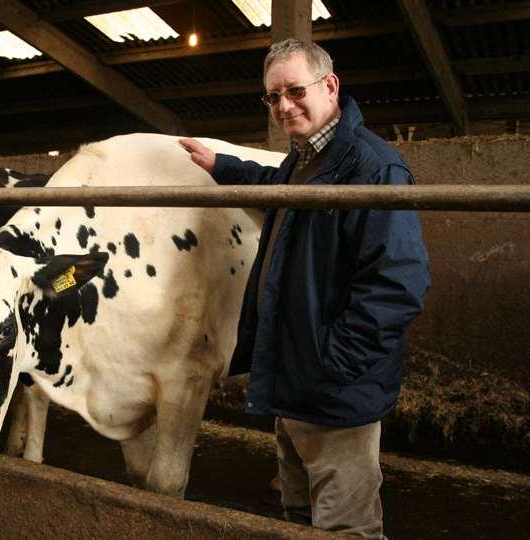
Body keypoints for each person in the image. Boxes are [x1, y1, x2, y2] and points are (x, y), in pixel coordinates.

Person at [179, 38, 430, 539]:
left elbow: (398, 284)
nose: (284, 105)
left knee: (345, 527)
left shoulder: (373, 168)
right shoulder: (303, 161)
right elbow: (271, 181)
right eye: (273, 96)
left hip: (334, 391)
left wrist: (331, 364)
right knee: (298, 516)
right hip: (294, 382)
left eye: (295, 90)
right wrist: (221, 166)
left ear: (330, 85)